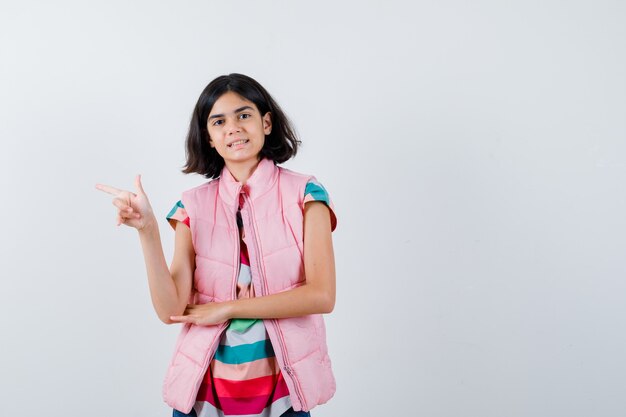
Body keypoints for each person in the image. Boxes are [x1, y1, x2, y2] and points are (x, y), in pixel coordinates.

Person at [96, 73, 337, 417]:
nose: (233, 128)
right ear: (209, 138)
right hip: (204, 396)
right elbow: (170, 310)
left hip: (283, 396)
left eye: (244, 115)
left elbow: (322, 295)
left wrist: (229, 308)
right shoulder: (191, 206)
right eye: (219, 121)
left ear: (266, 123)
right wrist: (147, 231)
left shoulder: (306, 195)